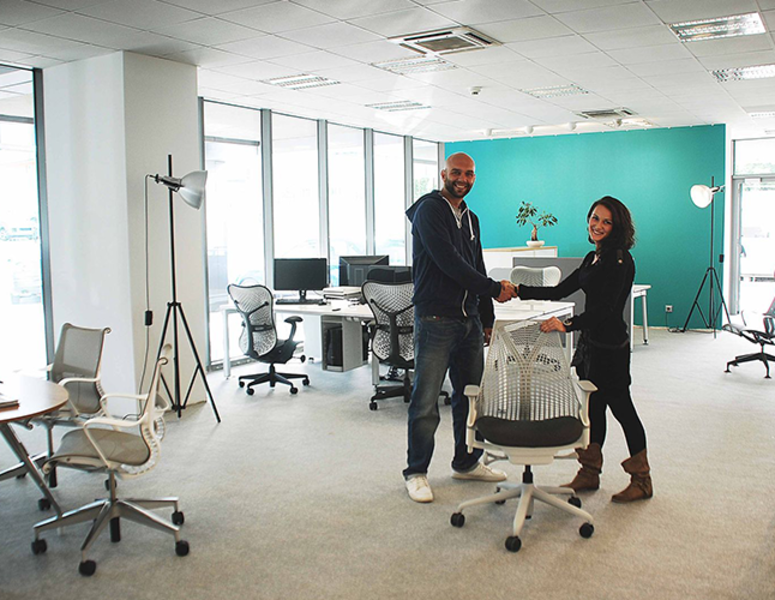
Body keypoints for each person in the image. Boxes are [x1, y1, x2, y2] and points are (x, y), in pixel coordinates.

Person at [516, 196, 652, 503]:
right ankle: (590, 472)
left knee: (623, 409)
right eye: (595, 218)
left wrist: (568, 324)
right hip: (592, 346)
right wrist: (517, 290)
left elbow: (606, 310)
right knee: (594, 408)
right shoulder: (594, 257)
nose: (598, 225)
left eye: (606, 221)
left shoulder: (619, 260)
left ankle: (642, 479)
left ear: (617, 227)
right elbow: (559, 290)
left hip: (611, 347)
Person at [402, 152, 516, 503]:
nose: (462, 179)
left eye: (468, 174)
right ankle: (416, 472)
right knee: (425, 401)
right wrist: (494, 289)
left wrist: (487, 317)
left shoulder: (470, 217)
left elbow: (476, 264)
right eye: (456, 173)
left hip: (469, 321)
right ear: (443, 174)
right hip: (435, 320)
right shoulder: (429, 211)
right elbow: (449, 262)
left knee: (470, 397)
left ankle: (466, 462)